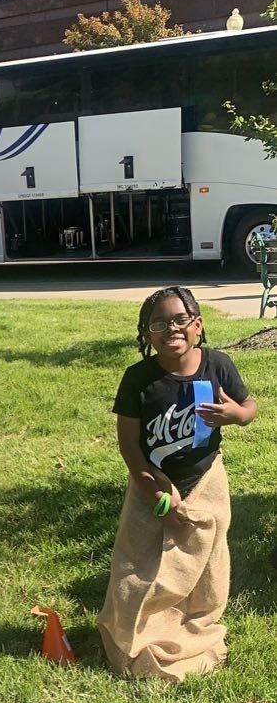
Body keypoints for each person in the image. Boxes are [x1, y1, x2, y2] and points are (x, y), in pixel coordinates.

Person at [97, 285, 256, 682]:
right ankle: (134, 631)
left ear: (197, 325)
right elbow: (129, 444)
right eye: (159, 323)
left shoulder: (218, 365)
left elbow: (249, 407)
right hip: (151, 479)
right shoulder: (139, 379)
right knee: (135, 561)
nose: (171, 328)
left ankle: (194, 624)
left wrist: (237, 415)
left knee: (208, 560)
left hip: (205, 479)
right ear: (146, 334)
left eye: (181, 319)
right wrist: (151, 487)